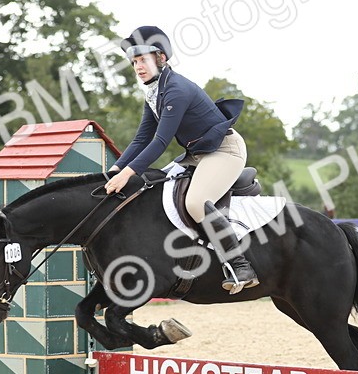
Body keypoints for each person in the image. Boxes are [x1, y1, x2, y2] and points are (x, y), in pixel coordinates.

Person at [104, 25, 256, 293]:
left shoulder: (176, 89)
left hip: (225, 151)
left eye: (143, 60)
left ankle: (239, 265)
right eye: (134, 61)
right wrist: (113, 170)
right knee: (152, 186)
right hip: (196, 155)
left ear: (161, 58)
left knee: (196, 202)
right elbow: (141, 140)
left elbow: (160, 142)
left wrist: (126, 174)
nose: (137, 67)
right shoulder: (154, 93)